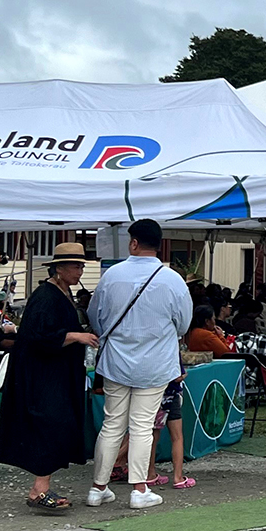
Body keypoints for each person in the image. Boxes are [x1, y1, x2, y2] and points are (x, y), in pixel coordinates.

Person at [87, 219, 192, 511]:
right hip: (156, 363)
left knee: (112, 425)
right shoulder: (173, 280)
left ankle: (98, 488)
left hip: (116, 362)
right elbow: (183, 324)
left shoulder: (111, 276)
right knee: (143, 426)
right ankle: (139, 489)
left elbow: (96, 316)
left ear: (133, 242)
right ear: (159, 244)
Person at [0, 243, 98, 512]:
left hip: (58, 372)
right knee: (50, 425)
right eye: (75, 266)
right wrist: (76, 336)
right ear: (59, 269)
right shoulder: (45, 296)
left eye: (81, 266)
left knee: (58, 425)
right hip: (42, 375)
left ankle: (43, 485)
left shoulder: (63, 293)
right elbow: (38, 336)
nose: (79, 271)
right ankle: (39, 489)